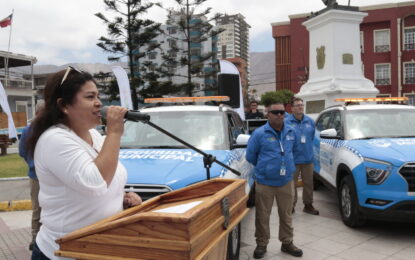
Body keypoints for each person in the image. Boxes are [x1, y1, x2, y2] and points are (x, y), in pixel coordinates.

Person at [26, 66, 142, 260]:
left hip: (99, 248)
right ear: (64, 105)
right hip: (65, 252)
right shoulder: (55, 139)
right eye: (90, 97)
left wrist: (120, 198)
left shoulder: (94, 135)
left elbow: (107, 178)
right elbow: (95, 183)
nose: (99, 103)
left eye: (98, 96)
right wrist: (114, 132)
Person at [246, 102, 303, 259]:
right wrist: (266, 168)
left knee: (286, 214)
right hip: (265, 182)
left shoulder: (291, 131)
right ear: (268, 114)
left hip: (286, 181)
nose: (279, 115)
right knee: (262, 216)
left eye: (282, 112)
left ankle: (287, 242)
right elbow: (250, 156)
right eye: (275, 112)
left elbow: (295, 151)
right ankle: (262, 244)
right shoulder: (259, 133)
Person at [285, 98, 319, 215]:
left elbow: (311, 137)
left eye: (301, 105)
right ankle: (291, 205)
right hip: (292, 160)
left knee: (309, 183)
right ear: (292, 108)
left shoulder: (310, 121)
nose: (300, 107)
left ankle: (308, 205)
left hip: (307, 159)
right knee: (291, 185)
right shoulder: (286, 122)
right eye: (297, 105)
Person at [19, 103, 44, 251]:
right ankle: (35, 238)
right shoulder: (28, 130)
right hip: (36, 176)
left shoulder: (50, 129)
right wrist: (32, 163)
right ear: (37, 113)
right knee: (37, 209)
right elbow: (22, 151)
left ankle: (42, 238)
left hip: (49, 175)